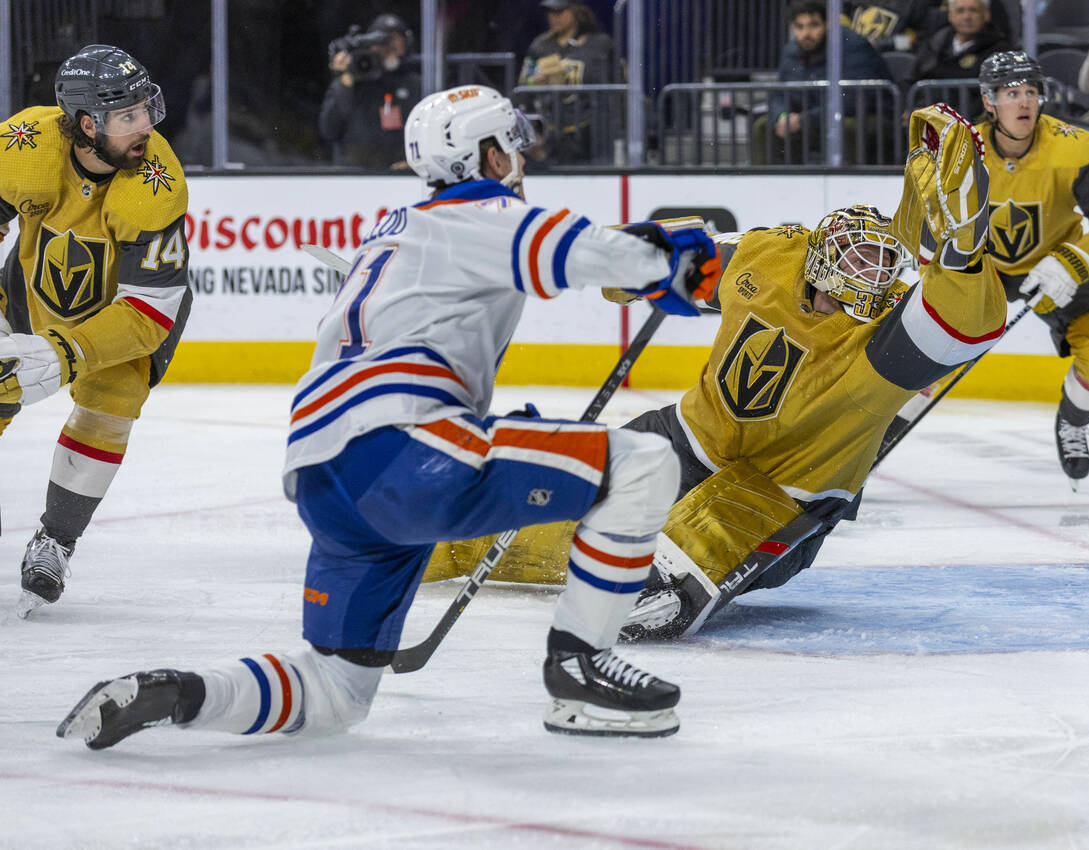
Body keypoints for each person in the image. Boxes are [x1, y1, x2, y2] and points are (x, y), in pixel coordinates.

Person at [56, 85, 723, 750]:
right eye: (510, 145)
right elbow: (577, 250)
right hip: (407, 452)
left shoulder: (393, 235)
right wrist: (672, 261)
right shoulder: (482, 214)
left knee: (337, 692)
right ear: (486, 156)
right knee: (644, 464)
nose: (519, 159)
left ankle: (178, 693)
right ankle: (579, 668)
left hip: (328, 479)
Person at [419, 103, 1007, 641]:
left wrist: (960, 253)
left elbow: (963, 324)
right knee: (546, 512)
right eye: (860, 254)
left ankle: (659, 575)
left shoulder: (886, 340)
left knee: (651, 589)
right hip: (684, 438)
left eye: (884, 262)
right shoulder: (773, 253)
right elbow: (692, 257)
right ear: (821, 252)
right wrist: (633, 264)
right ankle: (430, 543)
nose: (873, 272)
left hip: (783, 491)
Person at [0, 45, 191, 619]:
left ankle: (57, 539)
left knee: (112, 401)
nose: (146, 127)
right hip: (30, 289)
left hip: (123, 312)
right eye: (127, 116)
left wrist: (65, 355)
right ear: (86, 124)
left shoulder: (157, 180)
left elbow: (152, 310)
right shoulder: (24, 145)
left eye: (146, 108)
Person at [976, 52, 1089, 485]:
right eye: (1012, 93)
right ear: (990, 102)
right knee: (929, 340)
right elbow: (932, 229)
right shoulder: (962, 150)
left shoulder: (1073, 144)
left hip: (1059, 260)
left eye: (1031, 91)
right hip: (981, 266)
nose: (1024, 101)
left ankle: (1073, 423)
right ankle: (883, 424)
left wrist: (1074, 258)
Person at [753, 0, 893, 165]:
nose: (806, 33)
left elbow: (854, 101)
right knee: (764, 126)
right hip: (814, 120)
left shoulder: (853, 46)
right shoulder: (790, 52)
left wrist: (803, 120)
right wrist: (782, 116)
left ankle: (849, 186)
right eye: (799, 26)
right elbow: (779, 94)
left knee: (845, 127)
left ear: (828, 24)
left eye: (814, 25)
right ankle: (774, 186)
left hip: (868, 118)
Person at [517, 0, 619, 164]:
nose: (553, 17)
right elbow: (523, 87)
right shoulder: (540, 46)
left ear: (576, 11)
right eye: (550, 12)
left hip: (592, 134)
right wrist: (533, 83)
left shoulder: (600, 45)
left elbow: (616, 86)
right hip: (552, 136)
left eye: (559, 11)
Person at [318, 13, 423, 169]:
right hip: (355, 175)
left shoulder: (416, 84)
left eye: (394, 39)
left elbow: (427, 133)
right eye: (381, 41)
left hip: (402, 175)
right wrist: (346, 80)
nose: (388, 47)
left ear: (406, 44)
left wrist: (416, 164)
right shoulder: (351, 83)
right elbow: (328, 130)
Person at [910, 0, 1012, 116]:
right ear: (950, 15)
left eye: (973, 10)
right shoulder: (935, 44)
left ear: (986, 14)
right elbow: (911, 79)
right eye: (960, 11)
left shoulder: (1000, 52)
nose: (967, 17)